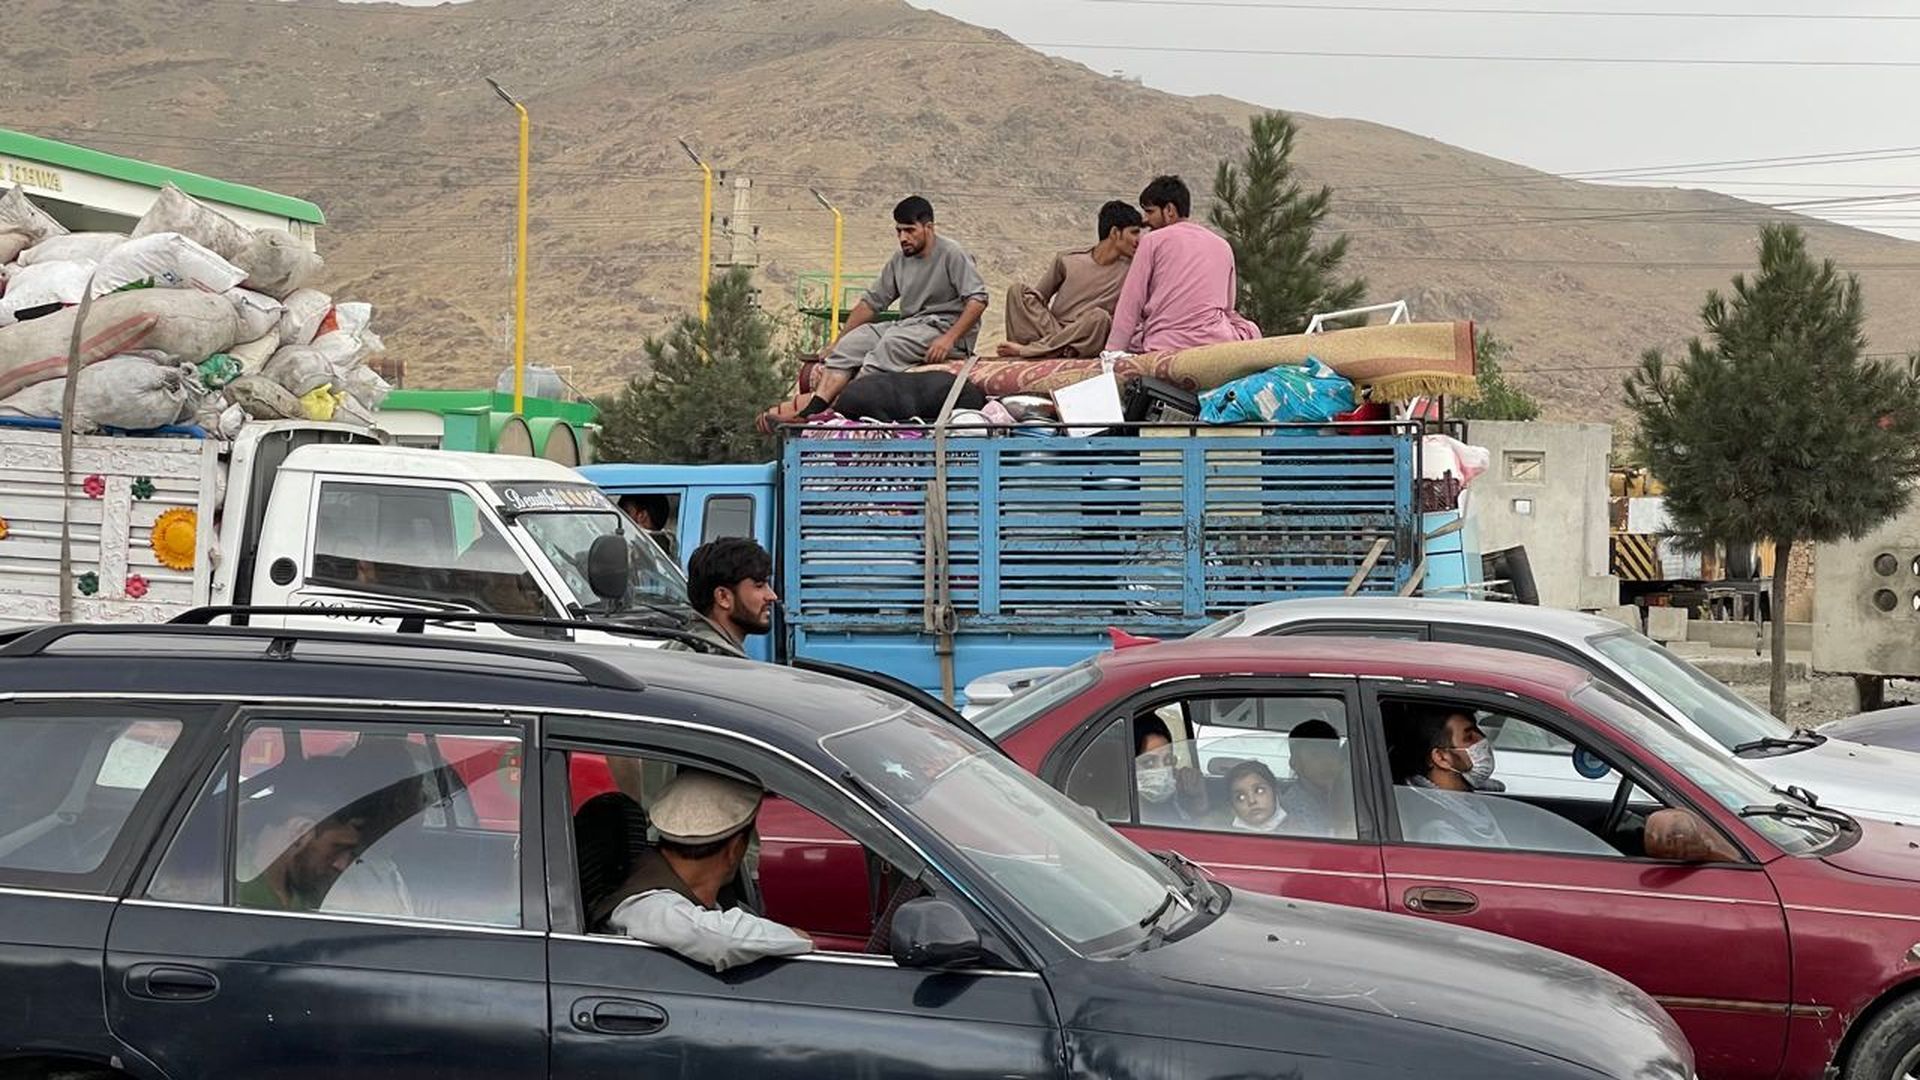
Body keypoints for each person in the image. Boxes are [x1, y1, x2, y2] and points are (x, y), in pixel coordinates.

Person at [763, 196, 989, 425]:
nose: (903, 238)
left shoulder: (952, 253)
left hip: (944, 328)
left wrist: (949, 339)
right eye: (899, 231)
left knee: (891, 344)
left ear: (928, 228)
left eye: (910, 230)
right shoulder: (900, 260)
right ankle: (809, 413)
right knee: (852, 344)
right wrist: (838, 342)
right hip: (910, 325)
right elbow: (871, 303)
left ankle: (842, 410)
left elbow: (978, 300)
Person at [597, 770, 813, 972]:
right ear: (735, 848)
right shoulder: (645, 906)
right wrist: (797, 939)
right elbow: (719, 942)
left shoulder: (707, 900)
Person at [1105, 175, 1261, 355]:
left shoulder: (1152, 241)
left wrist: (1112, 353)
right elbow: (1228, 307)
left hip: (1165, 344)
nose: (1145, 220)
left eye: (1150, 212)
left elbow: (1130, 304)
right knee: (1247, 327)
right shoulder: (1223, 246)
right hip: (1218, 341)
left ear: (1169, 210)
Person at [997, 200, 1142, 359]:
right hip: (1053, 332)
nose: (1139, 240)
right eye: (1134, 232)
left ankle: (1031, 351)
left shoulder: (1134, 269)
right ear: (1115, 233)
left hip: (1084, 339)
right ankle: (1051, 349)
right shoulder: (1068, 259)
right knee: (1017, 291)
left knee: (1099, 317)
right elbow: (1038, 299)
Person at [235, 776, 369, 912]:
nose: (343, 865)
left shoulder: (303, 889)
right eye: (337, 848)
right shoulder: (235, 891)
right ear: (300, 832)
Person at [1391, 707, 1508, 847]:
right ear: (1441, 758)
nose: (1482, 740)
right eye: (1469, 737)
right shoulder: (1439, 831)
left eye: (1479, 731)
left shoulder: (1468, 801)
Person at [672, 537, 777, 658]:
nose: (772, 596)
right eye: (759, 586)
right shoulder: (720, 660)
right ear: (723, 597)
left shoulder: (680, 645)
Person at [1279, 718, 1352, 838]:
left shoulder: (1341, 794)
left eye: (1332, 752)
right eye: (1316, 754)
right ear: (1294, 763)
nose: (1327, 762)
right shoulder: (1296, 809)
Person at [1134, 716, 1212, 826]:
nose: (1162, 770)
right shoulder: (1123, 816)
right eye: (1149, 763)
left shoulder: (1177, 803)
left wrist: (1198, 800)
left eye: (1168, 760)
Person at [1226, 760, 1286, 833]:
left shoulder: (1296, 824)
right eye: (1241, 797)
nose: (1252, 801)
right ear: (1232, 807)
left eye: (1259, 791)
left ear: (1275, 792)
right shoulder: (1221, 831)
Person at [618, 494, 677, 560]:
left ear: (642, 516)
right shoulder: (670, 546)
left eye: (626, 513)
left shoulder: (634, 547)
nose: (620, 518)